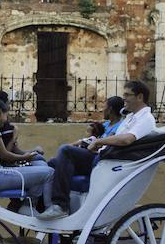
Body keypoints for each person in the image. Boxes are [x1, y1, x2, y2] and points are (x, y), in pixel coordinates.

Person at [38, 82, 155, 220]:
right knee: (53, 163)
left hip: (110, 163)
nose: (124, 99)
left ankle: (61, 205)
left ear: (140, 97)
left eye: (127, 95)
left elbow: (127, 139)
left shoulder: (146, 118)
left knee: (66, 150)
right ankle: (43, 206)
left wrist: (99, 141)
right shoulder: (131, 117)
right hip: (105, 157)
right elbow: (117, 137)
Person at [0, 98, 54, 215]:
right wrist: (26, 157)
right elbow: (4, 154)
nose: (6, 119)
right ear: (0, 112)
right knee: (49, 172)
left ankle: (22, 205)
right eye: (6, 114)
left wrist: (25, 155)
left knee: (39, 172)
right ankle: (49, 210)